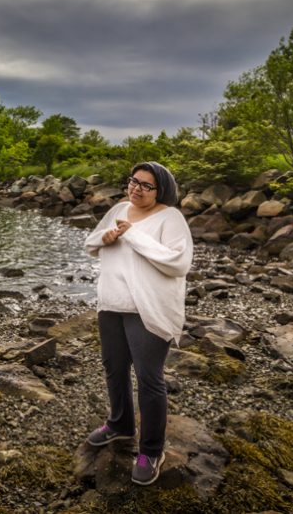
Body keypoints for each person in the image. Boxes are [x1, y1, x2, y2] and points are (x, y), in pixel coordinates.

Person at [83, 161, 193, 486]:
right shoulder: (119, 209)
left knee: (148, 378)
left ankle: (151, 451)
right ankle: (119, 424)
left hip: (147, 309)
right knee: (114, 368)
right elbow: (91, 242)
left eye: (146, 185)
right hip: (111, 305)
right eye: (134, 181)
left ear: (161, 190)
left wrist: (131, 235)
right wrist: (107, 237)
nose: (137, 188)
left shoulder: (170, 218)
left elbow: (179, 262)